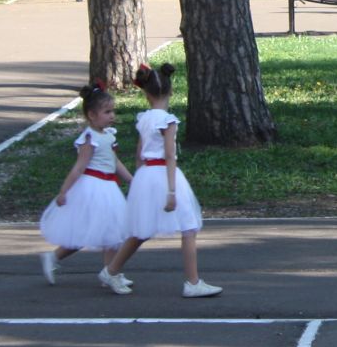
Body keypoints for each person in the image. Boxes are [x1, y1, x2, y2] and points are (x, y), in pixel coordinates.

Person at [103, 64, 221, 297]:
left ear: (146, 94)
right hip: (164, 175)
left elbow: (139, 154)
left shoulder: (144, 119)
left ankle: (112, 270)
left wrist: (139, 182)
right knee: (188, 226)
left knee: (141, 229)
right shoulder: (168, 120)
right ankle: (193, 282)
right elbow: (169, 155)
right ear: (171, 91)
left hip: (146, 175)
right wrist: (172, 191)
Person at [38, 85, 133, 285]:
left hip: (108, 187)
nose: (112, 115)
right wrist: (64, 191)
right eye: (107, 112)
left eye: (112, 111)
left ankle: (109, 273)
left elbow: (114, 162)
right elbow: (79, 168)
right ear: (91, 115)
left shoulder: (108, 135)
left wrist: (131, 180)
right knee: (99, 232)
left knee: (111, 233)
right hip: (93, 188)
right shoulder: (90, 139)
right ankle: (106, 273)